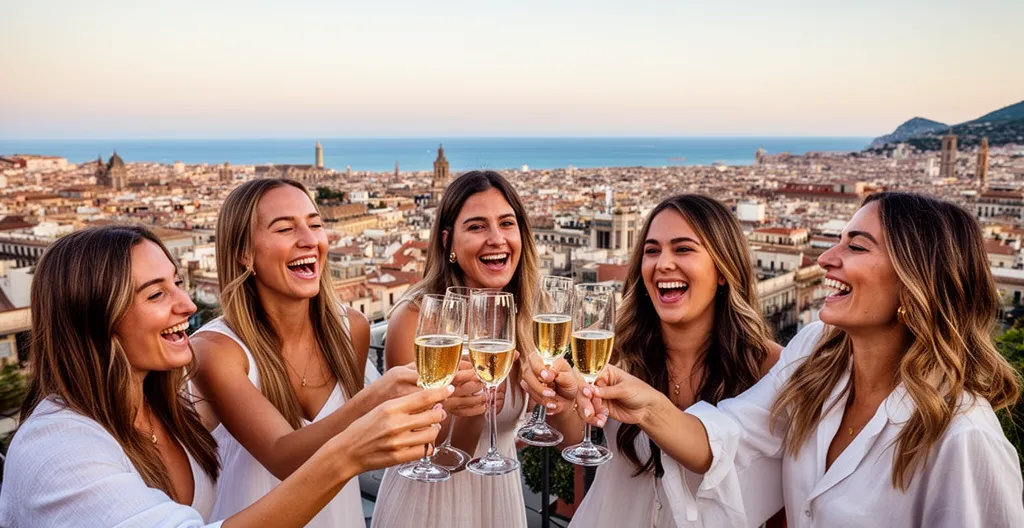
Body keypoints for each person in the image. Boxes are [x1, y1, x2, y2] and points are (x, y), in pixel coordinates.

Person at [579, 192, 1024, 526]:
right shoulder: (815, 352)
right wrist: (647, 403)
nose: (827, 258)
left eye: (856, 246)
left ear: (916, 281)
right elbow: (730, 437)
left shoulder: (965, 439)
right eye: (837, 242)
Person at [0, 225, 450, 527]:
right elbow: (282, 451)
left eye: (177, 283)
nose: (188, 305)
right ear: (93, 317)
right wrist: (348, 454)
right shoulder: (57, 449)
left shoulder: (167, 408)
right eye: (157, 294)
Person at [521, 194, 785, 527]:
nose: (663, 263)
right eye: (652, 250)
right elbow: (579, 439)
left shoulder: (768, 367)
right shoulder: (618, 349)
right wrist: (560, 403)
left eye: (683, 249)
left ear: (723, 269)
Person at [190, 178, 423, 526]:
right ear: (244, 253)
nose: (310, 240)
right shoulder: (215, 350)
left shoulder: (352, 329)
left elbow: (345, 440)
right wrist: (376, 397)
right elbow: (285, 459)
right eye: (285, 229)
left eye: (315, 224)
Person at [371, 170, 540, 528]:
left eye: (506, 224)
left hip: (500, 504)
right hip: (428, 506)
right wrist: (475, 408)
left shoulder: (527, 316)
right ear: (448, 242)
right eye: (477, 227)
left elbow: (547, 435)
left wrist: (563, 396)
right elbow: (431, 458)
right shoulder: (417, 321)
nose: (496, 239)